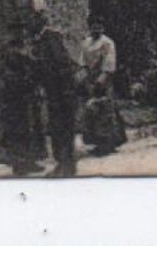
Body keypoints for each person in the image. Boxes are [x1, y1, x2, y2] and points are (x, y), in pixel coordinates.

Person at [28, 10, 81, 177]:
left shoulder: (51, 38)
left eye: (32, 22)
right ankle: (62, 164)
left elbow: (61, 66)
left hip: (61, 93)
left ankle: (67, 166)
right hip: (54, 93)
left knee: (64, 128)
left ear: (40, 22)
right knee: (56, 128)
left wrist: (63, 92)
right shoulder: (40, 40)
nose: (29, 26)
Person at [0, 25, 47, 175]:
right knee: (17, 132)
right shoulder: (9, 60)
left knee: (30, 131)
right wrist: (28, 82)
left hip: (26, 100)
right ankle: (19, 164)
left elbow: (35, 69)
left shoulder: (25, 57)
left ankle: (30, 161)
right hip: (14, 102)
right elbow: (10, 80)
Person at [81, 18, 128, 156]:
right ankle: (97, 142)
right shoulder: (86, 42)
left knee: (105, 110)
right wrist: (85, 78)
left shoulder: (107, 42)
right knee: (92, 110)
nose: (96, 29)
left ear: (103, 28)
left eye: (99, 27)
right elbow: (82, 61)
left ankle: (108, 143)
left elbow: (109, 62)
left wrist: (101, 79)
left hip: (103, 78)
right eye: (94, 27)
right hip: (90, 77)